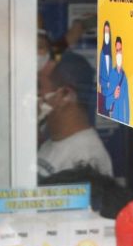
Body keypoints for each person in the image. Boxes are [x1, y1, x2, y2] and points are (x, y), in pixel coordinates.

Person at [37, 51, 114, 179]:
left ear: (65, 95)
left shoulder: (86, 158)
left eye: (40, 86)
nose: (35, 94)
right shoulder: (52, 142)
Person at [108, 35, 131, 123]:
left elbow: (127, 102)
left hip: (125, 119)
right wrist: (113, 96)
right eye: (117, 50)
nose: (119, 53)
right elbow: (107, 103)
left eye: (120, 50)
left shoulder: (125, 75)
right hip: (116, 118)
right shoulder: (112, 74)